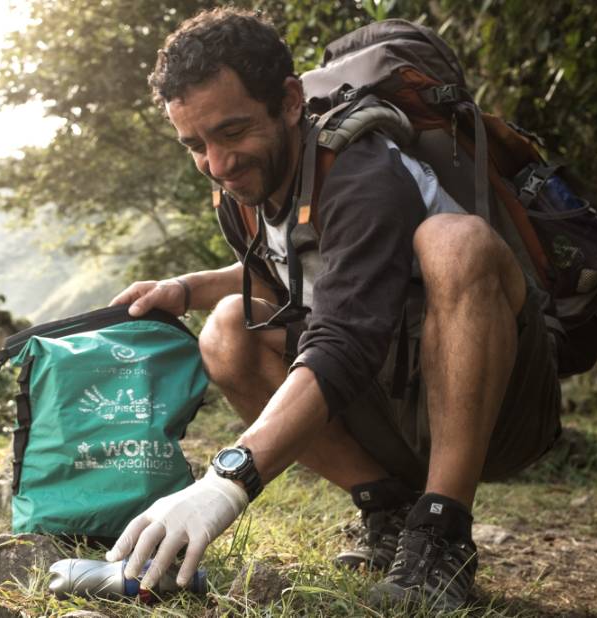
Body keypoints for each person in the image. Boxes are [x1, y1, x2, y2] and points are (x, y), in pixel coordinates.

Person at [104, 7, 561, 612]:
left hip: (498, 407)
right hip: (392, 401)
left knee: (456, 243)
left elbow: (344, 337)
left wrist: (225, 483)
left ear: (292, 101)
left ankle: (441, 530)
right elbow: (293, 281)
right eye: (196, 145)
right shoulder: (248, 189)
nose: (218, 164)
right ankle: (388, 512)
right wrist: (185, 289)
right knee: (225, 332)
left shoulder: (361, 172)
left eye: (233, 132)